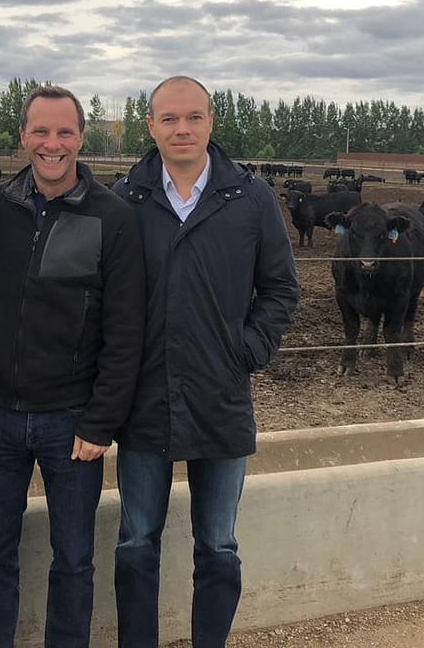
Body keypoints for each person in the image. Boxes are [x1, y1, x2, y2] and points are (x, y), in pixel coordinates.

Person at [113, 76, 300, 647]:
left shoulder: (250, 199)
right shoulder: (127, 199)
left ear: (211, 122)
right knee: (135, 540)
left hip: (221, 397)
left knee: (218, 544)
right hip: (144, 397)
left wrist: (246, 350)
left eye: (193, 117)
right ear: (151, 126)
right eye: (169, 119)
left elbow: (280, 289)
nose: (182, 129)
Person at [0, 85, 145, 647]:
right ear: (22, 136)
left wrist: (101, 421)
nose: (52, 144)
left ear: (81, 138)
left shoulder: (111, 217)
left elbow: (125, 328)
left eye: (64, 131)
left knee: (73, 558)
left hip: (71, 421)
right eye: (40, 131)